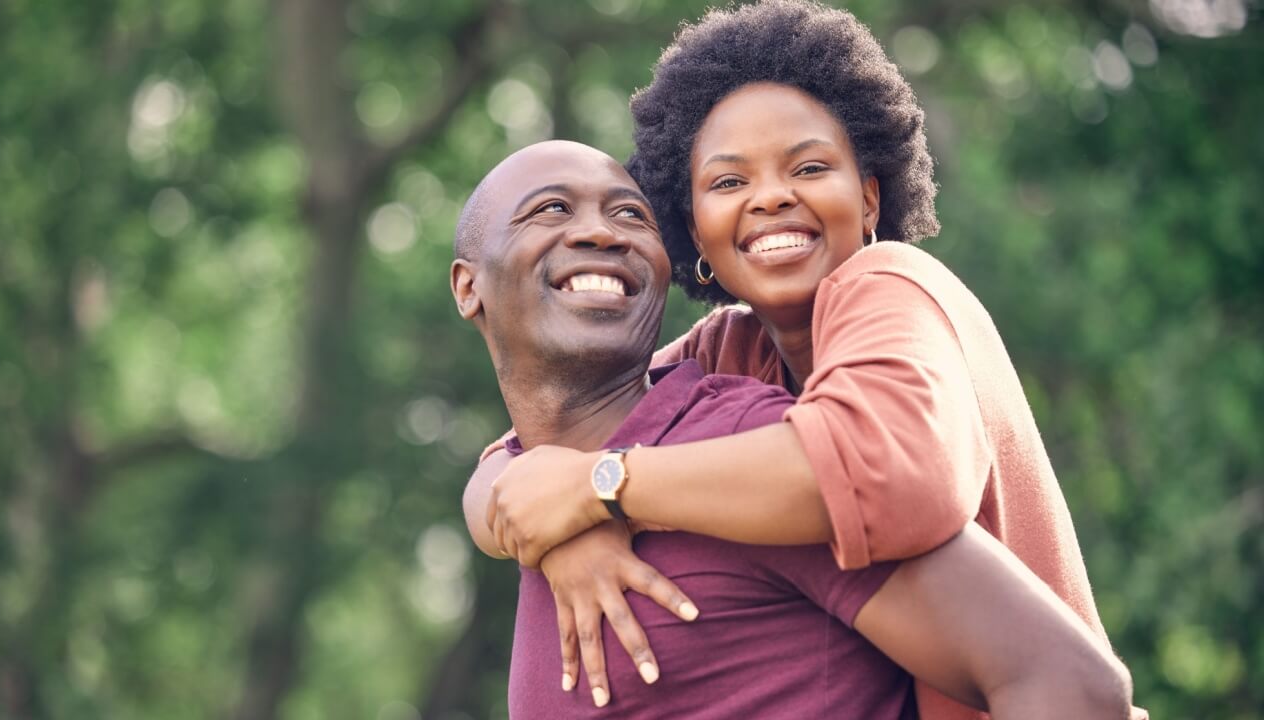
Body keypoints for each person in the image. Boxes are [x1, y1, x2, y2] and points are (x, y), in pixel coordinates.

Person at [468, 3, 1147, 719]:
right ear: (695, 227)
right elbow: (528, 454)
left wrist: (603, 488)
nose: (771, 197)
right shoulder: (730, 348)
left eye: (811, 167)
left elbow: (879, 477)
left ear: (869, 195)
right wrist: (554, 534)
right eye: (729, 183)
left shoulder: (892, 287)